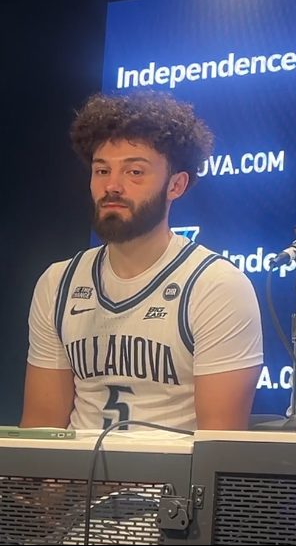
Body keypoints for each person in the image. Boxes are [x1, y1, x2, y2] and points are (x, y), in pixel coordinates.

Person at [21, 92, 263, 431]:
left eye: (135, 171)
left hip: (172, 483)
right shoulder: (58, 282)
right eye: (102, 170)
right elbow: (41, 430)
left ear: (176, 185)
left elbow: (218, 446)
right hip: (76, 482)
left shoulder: (217, 285)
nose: (113, 186)